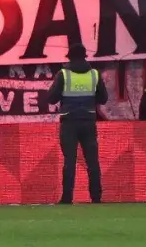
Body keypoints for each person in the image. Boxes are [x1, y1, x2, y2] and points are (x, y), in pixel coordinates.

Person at [45, 42, 106, 204]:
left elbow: (51, 99)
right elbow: (104, 99)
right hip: (88, 121)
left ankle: (67, 198)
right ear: (85, 56)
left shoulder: (63, 75)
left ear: (69, 58)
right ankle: (96, 197)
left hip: (69, 122)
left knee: (69, 161)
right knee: (92, 161)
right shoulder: (94, 74)